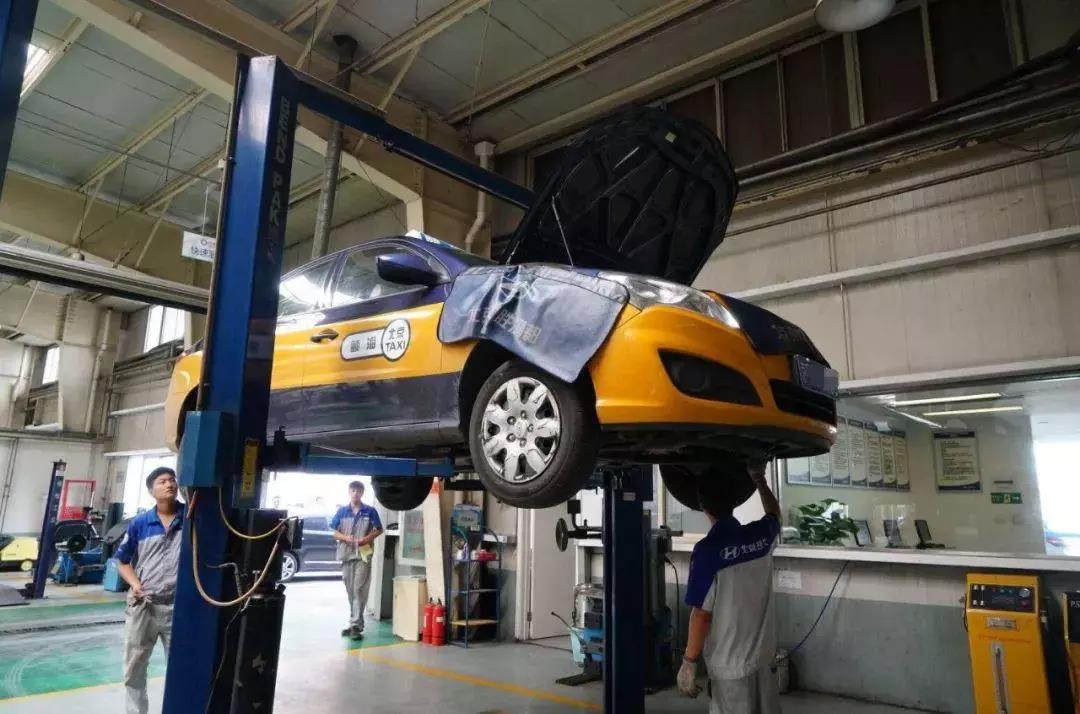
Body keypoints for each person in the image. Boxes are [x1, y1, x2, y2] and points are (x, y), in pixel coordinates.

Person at [678, 460, 782, 714]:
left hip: (730, 668)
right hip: (765, 659)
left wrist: (689, 662)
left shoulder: (707, 552)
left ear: (703, 506)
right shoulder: (760, 536)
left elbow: (701, 615)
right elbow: (775, 515)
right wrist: (760, 480)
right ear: (735, 502)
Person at [115, 466, 185, 714]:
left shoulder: (190, 518)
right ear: (151, 491)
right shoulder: (140, 523)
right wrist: (135, 584)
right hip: (144, 605)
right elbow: (122, 561)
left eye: (172, 480)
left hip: (178, 606)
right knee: (134, 668)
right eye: (162, 481)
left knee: (181, 668)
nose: (169, 484)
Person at [330, 481, 383, 639]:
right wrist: (345, 537)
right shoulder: (342, 512)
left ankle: (355, 625)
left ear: (362, 493)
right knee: (350, 590)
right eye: (353, 490)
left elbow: (379, 529)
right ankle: (354, 622)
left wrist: (366, 539)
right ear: (349, 492)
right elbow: (334, 532)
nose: (355, 493)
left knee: (359, 589)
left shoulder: (370, 511)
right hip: (346, 555)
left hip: (363, 555)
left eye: (358, 491)